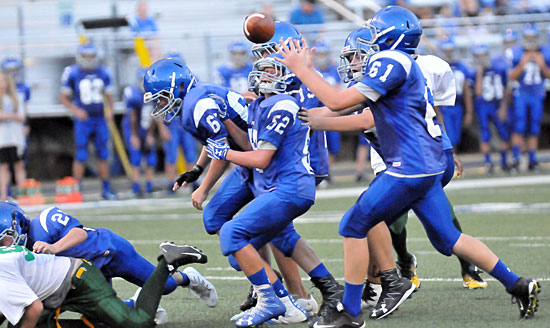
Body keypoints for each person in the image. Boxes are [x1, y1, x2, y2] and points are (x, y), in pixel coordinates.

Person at [277, 5, 541, 326]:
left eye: (374, 33)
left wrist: (303, 69)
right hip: (426, 163)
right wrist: (310, 116)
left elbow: (337, 103)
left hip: (410, 164)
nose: (369, 42)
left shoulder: (392, 61)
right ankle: (517, 283)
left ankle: (350, 311)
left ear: (391, 35)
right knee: (448, 238)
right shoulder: (400, 64)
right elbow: (345, 112)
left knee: (353, 225)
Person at [204, 54, 317, 327]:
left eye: (271, 72)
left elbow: (260, 157)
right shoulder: (260, 103)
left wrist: (225, 152)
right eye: (263, 71)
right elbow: (248, 144)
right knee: (239, 244)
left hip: (285, 178)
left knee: (252, 237)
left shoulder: (283, 103)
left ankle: (291, 298)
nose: (264, 76)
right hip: (269, 177)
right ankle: (284, 294)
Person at [0, 202, 208, 328]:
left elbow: (78, 233)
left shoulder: (44, 221)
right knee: (104, 321)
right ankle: (140, 302)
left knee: (167, 286)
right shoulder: (13, 255)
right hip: (84, 274)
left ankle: (188, 276)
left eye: (4, 240)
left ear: (19, 226)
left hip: (109, 251)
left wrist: (54, 247)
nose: (2, 246)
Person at [60, 43, 117, 200]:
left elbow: (109, 96)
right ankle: (77, 190)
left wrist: (110, 111)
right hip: (83, 120)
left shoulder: (103, 72)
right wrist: (77, 110)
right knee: (81, 154)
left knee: (103, 154)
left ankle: (106, 188)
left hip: (99, 118)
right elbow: (63, 99)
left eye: (91, 56)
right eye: (86, 56)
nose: (88, 60)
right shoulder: (72, 72)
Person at [508, 24, 550, 172]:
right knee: (519, 126)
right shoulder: (517, 53)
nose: (531, 40)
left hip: (537, 94)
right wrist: (522, 63)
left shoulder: (545, 52)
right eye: (528, 37)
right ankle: (515, 159)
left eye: (533, 37)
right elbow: (511, 76)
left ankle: (532, 160)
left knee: (534, 127)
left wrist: (542, 64)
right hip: (521, 94)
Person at [471, 44, 511, 173]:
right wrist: (479, 73)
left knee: (504, 133)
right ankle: (488, 162)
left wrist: (504, 107)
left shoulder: (499, 69)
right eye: (479, 56)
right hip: (482, 105)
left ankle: (504, 162)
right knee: (485, 134)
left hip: (497, 104)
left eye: (483, 56)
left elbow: (506, 88)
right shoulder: (474, 73)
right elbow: (477, 92)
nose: (482, 59)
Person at [122, 68, 158, 196]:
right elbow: (133, 117)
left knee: (150, 157)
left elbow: (155, 115)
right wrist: (134, 136)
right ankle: (136, 186)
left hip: (146, 128)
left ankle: (149, 185)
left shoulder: (155, 93)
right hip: (133, 129)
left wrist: (150, 135)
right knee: (136, 157)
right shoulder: (133, 94)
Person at [313, 40, 341, 180]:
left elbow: (338, 90)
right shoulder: (311, 71)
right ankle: (319, 172)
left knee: (333, 146)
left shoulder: (333, 70)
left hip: (331, 114)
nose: (321, 56)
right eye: (319, 54)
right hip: (316, 113)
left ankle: (327, 172)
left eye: (324, 54)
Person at [438, 38, 474, 150]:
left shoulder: (461, 66)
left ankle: (453, 162)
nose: (449, 53)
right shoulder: (437, 66)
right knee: (447, 136)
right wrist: (437, 112)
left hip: (457, 104)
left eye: (451, 50)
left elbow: (466, 90)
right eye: (446, 51)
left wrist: (469, 112)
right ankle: (450, 163)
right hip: (443, 106)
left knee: (455, 138)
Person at [0, 73, 26, 201]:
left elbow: (22, 117)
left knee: (19, 164)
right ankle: (4, 194)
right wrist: (12, 115)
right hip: (2, 139)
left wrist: (6, 115)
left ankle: (23, 193)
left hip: (15, 138)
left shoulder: (17, 97)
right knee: (4, 166)